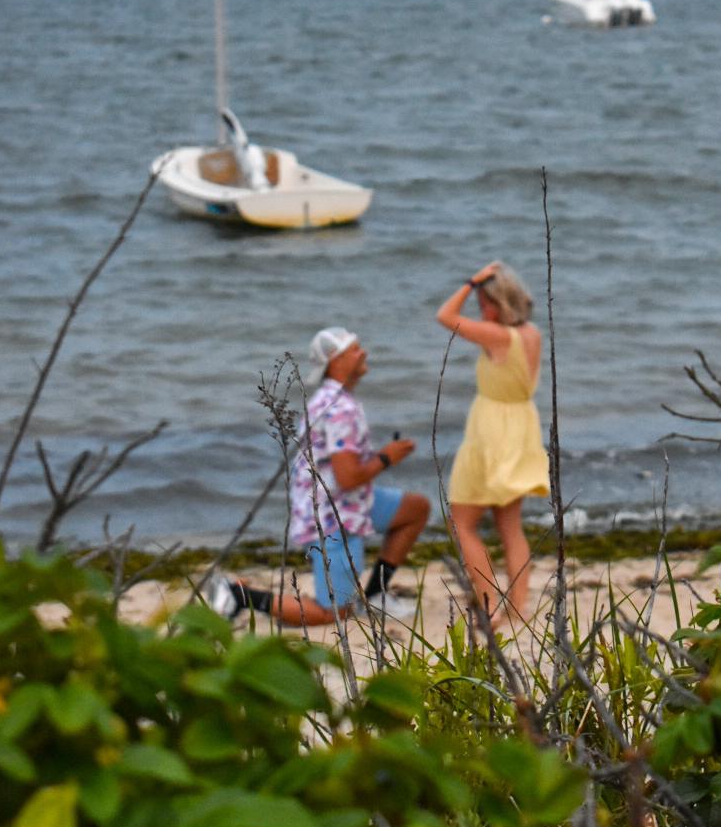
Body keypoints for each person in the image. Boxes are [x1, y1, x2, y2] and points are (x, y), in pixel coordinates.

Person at [207, 326, 428, 626]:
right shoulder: (338, 408)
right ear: (335, 361)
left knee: (416, 508)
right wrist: (389, 456)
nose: (363, 353)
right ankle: (238, 595)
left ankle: (375, 595)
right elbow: (348, 477)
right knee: (334, 614)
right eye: (354, 349)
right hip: (331, 516)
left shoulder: (335, 399)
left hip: (351, 502)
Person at [436, 262, 550, 626]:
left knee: (462, 521)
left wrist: (470, 282)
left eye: (485, 303)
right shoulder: (531, 333)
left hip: (493, 429)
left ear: (499, 303)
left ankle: (489, 604)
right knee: (509, 525)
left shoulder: (498, 336)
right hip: (521, 425)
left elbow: (445, 316)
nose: (480, 310)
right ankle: (517, 607)